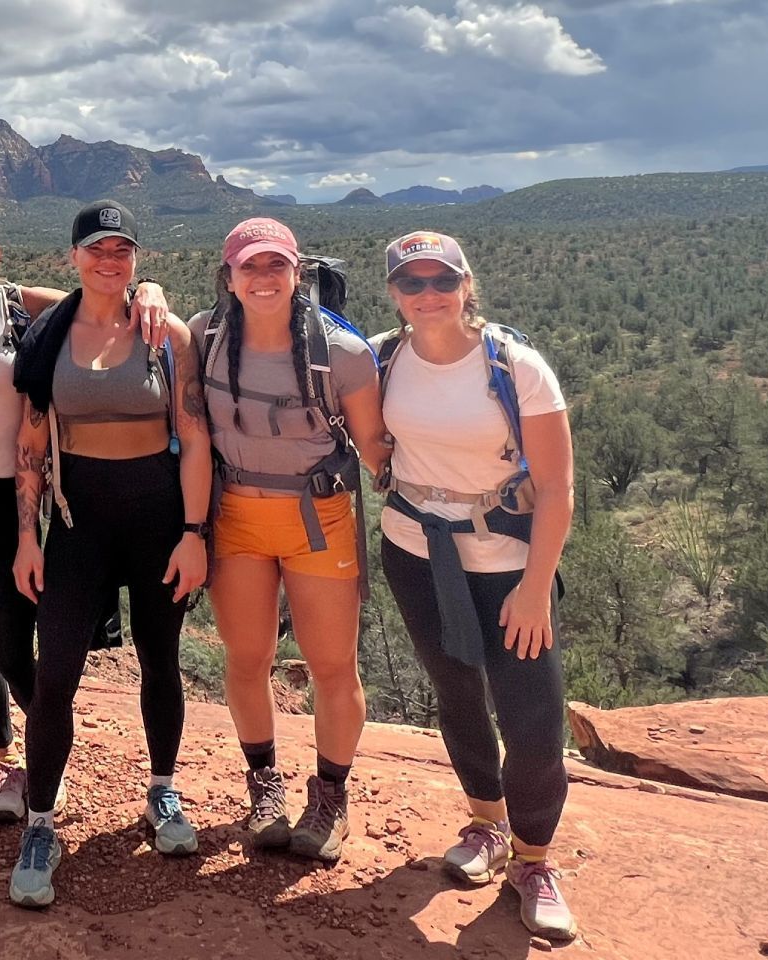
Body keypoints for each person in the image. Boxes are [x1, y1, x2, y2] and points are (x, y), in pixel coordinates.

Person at [0, 185, 167, 824]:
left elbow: (101, 306)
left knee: (8, 639)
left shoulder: (26, 306)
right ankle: (11, 762)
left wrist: (149, 291)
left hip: (11, 495)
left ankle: (48, 733)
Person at [370, 231, 578, 940]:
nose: (427, 295)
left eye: (441, 281)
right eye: (411, 283)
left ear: (467, 285)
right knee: (456, 689)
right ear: (394, 294)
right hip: (414, 551)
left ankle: (535, 859)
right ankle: (486, 823)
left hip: (507, 565)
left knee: (532, 714)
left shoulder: (516, 368)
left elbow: (556, 488)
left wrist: (535, 586)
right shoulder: (383, 358)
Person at [5, 200, 211, 908]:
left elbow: (194, 437)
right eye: (96, 249)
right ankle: (40, 823)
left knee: (160, 657)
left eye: (122, 250)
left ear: (135, 259)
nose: (109, 260)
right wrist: (27, 537)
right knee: (55, 670)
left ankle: (162, 792)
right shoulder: (49, 336)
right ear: (74, 258)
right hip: (76, 520)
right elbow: (31, 443)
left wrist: (194, 533)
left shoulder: (166, 333)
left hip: (157, 517)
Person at [192, 218, 388, 863]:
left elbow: (376, 452)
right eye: (250, 267)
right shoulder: (204, 338)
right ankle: (264, 787)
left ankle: (329, 794)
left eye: (276, 265)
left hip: (318, 520)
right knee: (247, 659)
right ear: (230, 277)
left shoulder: (344, 353)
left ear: (297, 272)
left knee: (332, 666)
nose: (264, 277)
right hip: (236, 519)